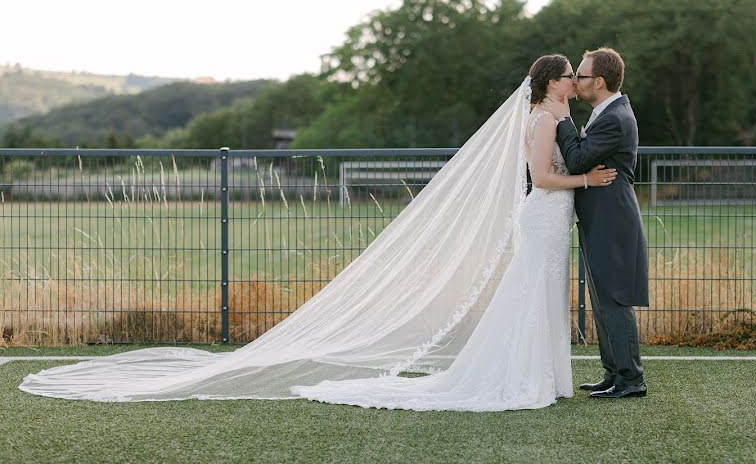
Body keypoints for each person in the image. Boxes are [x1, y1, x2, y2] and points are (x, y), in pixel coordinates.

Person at [19, 56, 617, 410]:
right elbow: (541, 177)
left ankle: (542, 375)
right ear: (551, 82)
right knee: (527, 295)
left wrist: (583, 173)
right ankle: (513, 377)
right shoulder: (543, 116)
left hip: (553, 218)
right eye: (569, 74)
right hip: (545, 213)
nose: (575, 78)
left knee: (538, 296)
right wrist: (587, 180)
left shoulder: (561, 113)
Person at [543, 47, 649, 399]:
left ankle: (631, 379)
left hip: (612, 219)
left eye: (582, 76)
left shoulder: (615, 118)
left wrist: (562, 121)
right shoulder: (607, 112)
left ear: (599, 82)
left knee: (614, 299)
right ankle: (613, 373)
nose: (576, 81)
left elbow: (576, 160)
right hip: (599, 218)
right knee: (602, 299)